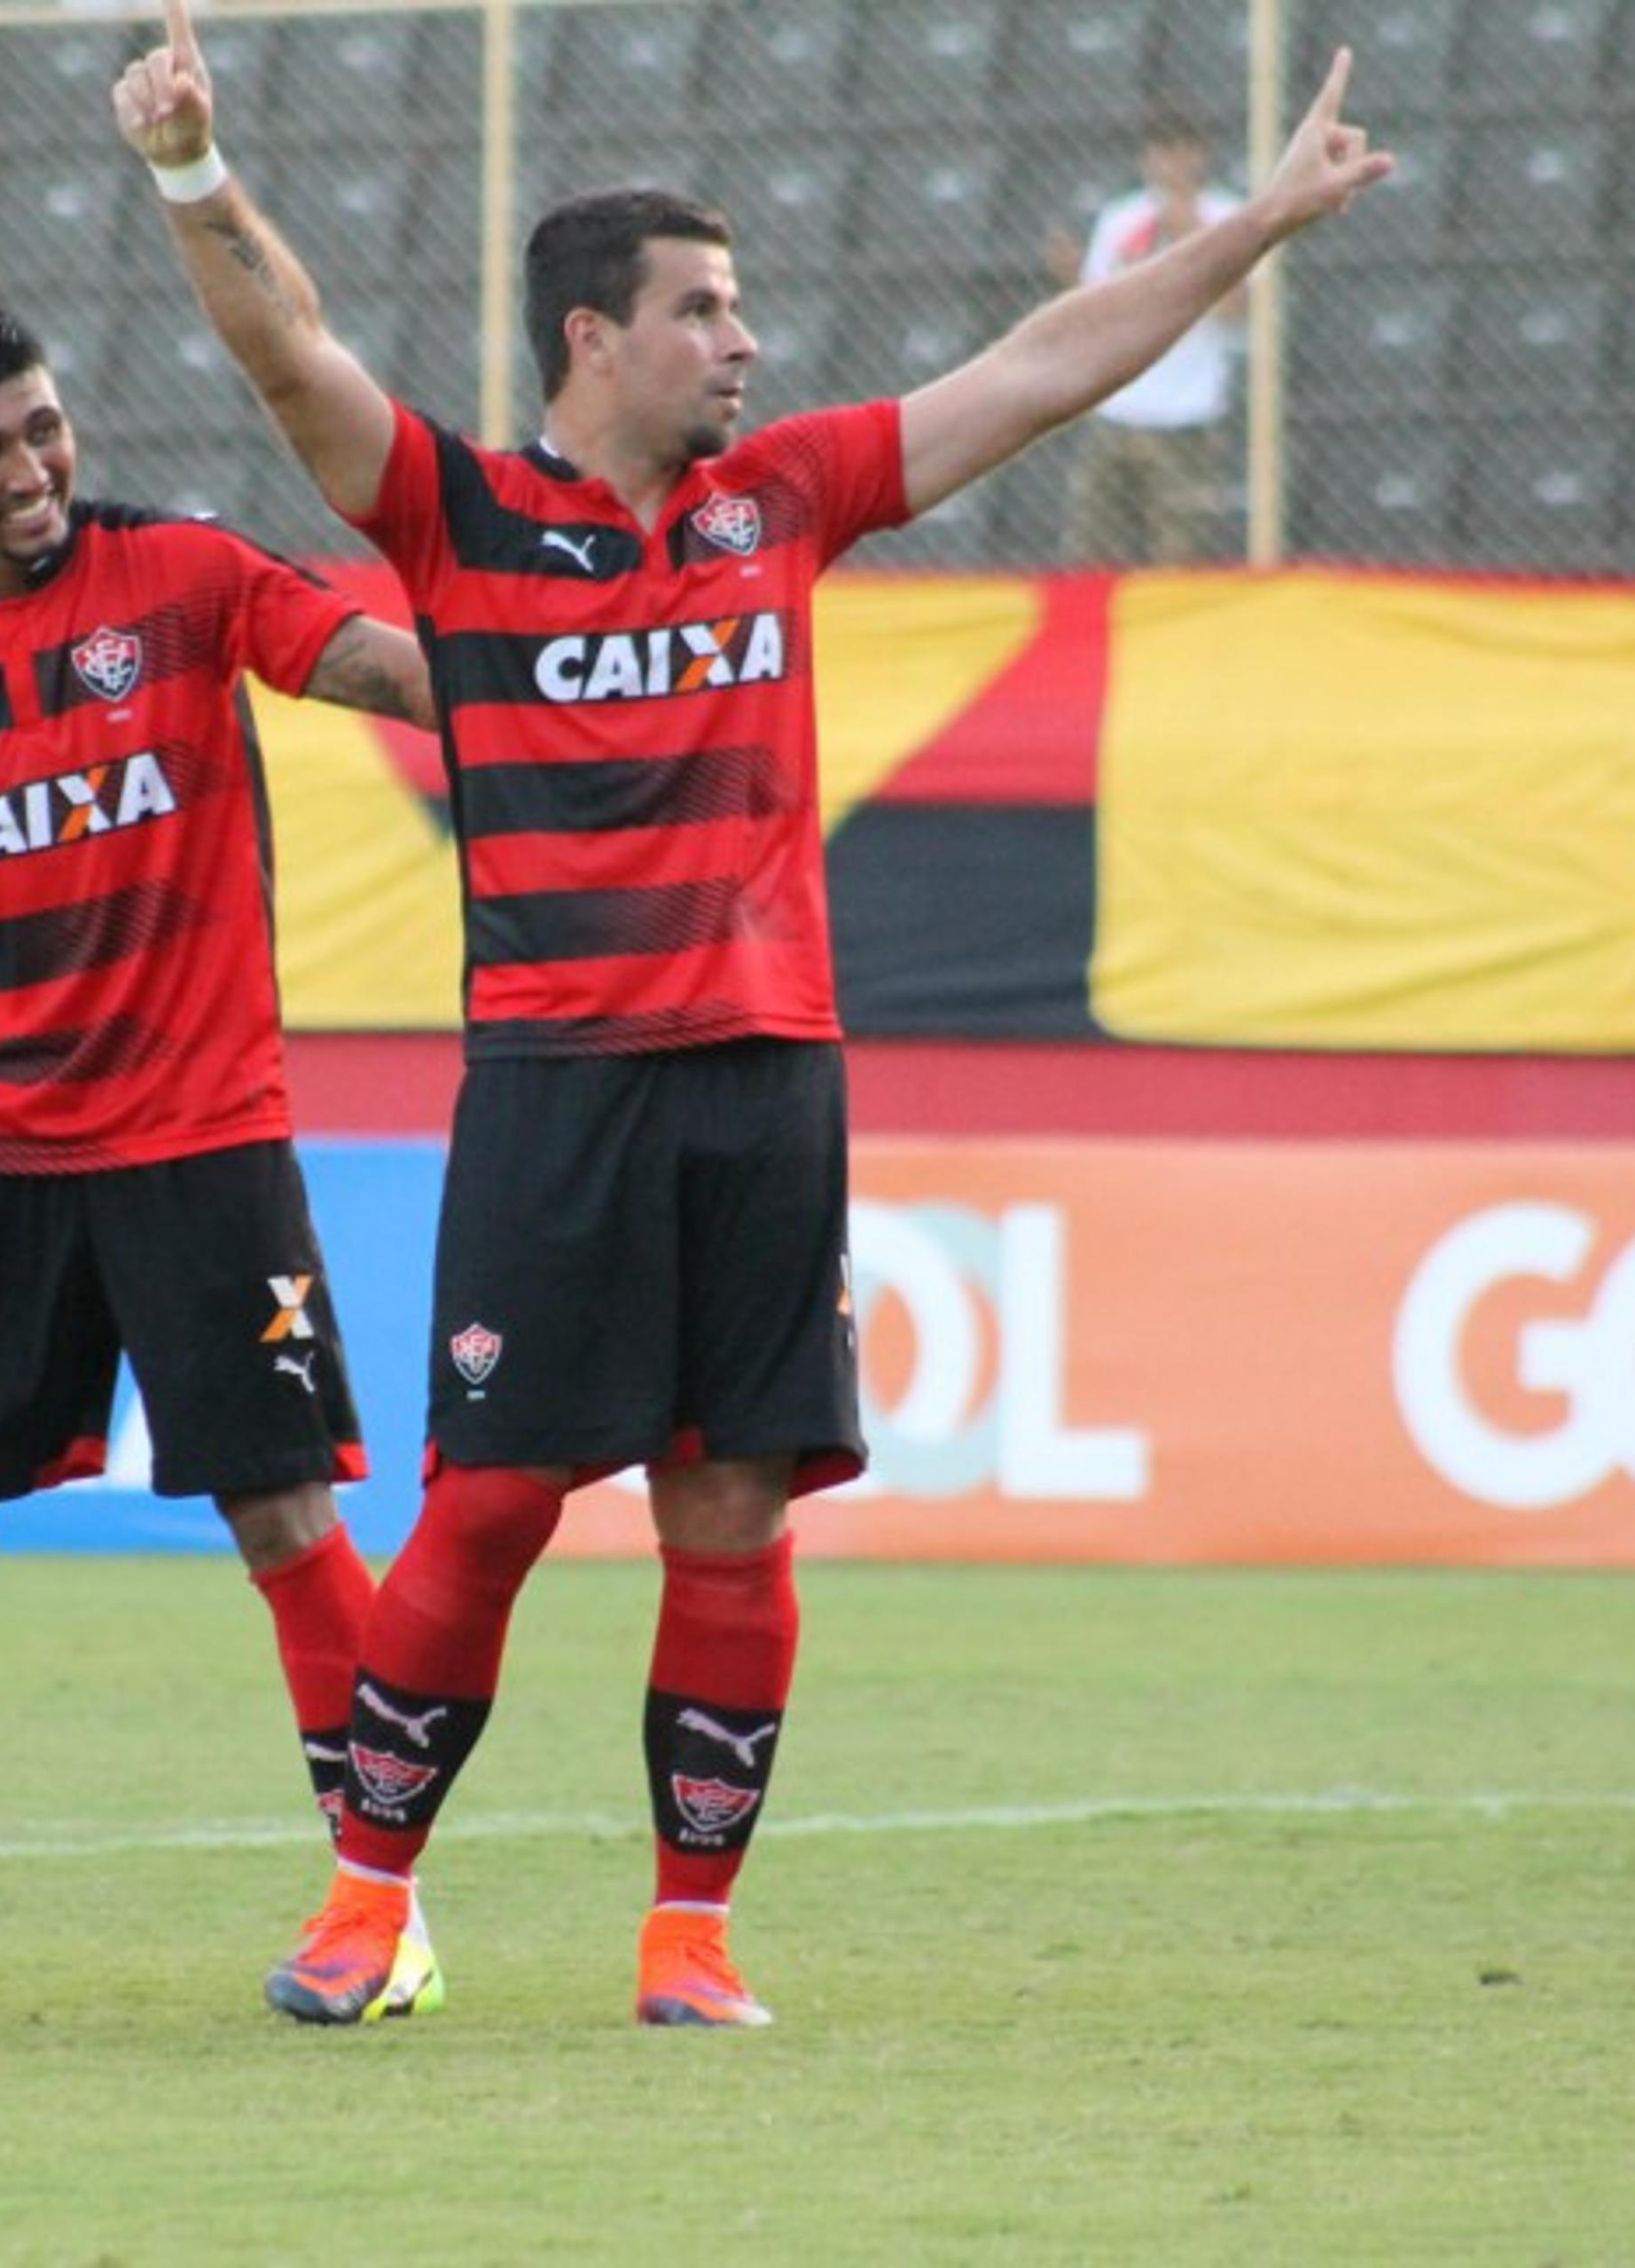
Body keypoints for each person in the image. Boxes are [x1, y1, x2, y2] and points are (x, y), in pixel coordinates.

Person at [114, 1, 1389, 2027]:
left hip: (769, 1078)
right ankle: (363, 1902)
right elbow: (286, 346)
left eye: (743, 308)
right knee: (494, 1498)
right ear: (589, 339)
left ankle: (687, 1942)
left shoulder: (780, 498)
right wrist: (192, 167)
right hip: (556, 1090)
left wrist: (1255, 227)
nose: (746, 342)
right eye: (704, 310)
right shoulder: (450, 514)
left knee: (729, 1505)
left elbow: (1046, 367)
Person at [0, 298, 442, 2018]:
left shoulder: (188, 575)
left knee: (287, 1516)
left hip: (207, 1146)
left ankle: (385, 1913)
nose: (32, 468)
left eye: (44, 427)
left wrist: (533, 684)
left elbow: (368, 664)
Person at [1042, 118, 1244, 567]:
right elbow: (1098, 311)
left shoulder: (1228, 218)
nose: (1169, 163)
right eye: (1159, 150)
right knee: (1092, 550)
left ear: (1200, 156)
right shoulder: (1122, 218)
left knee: (1180, 556)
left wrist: (1189, 233)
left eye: (1179, 149)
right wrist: (1072, 278)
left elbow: (1238, 313)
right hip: (1118, 408)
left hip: (1187, 414)